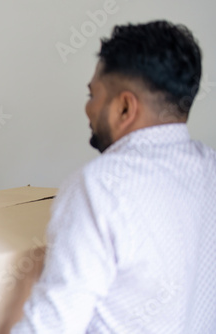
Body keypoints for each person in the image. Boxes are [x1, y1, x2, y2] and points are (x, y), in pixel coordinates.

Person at [12, 21, 216, 333]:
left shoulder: (100, 186)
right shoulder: (209, 168)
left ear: (124, 107)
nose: (88, 108)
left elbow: (51, 327)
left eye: (92, 94)